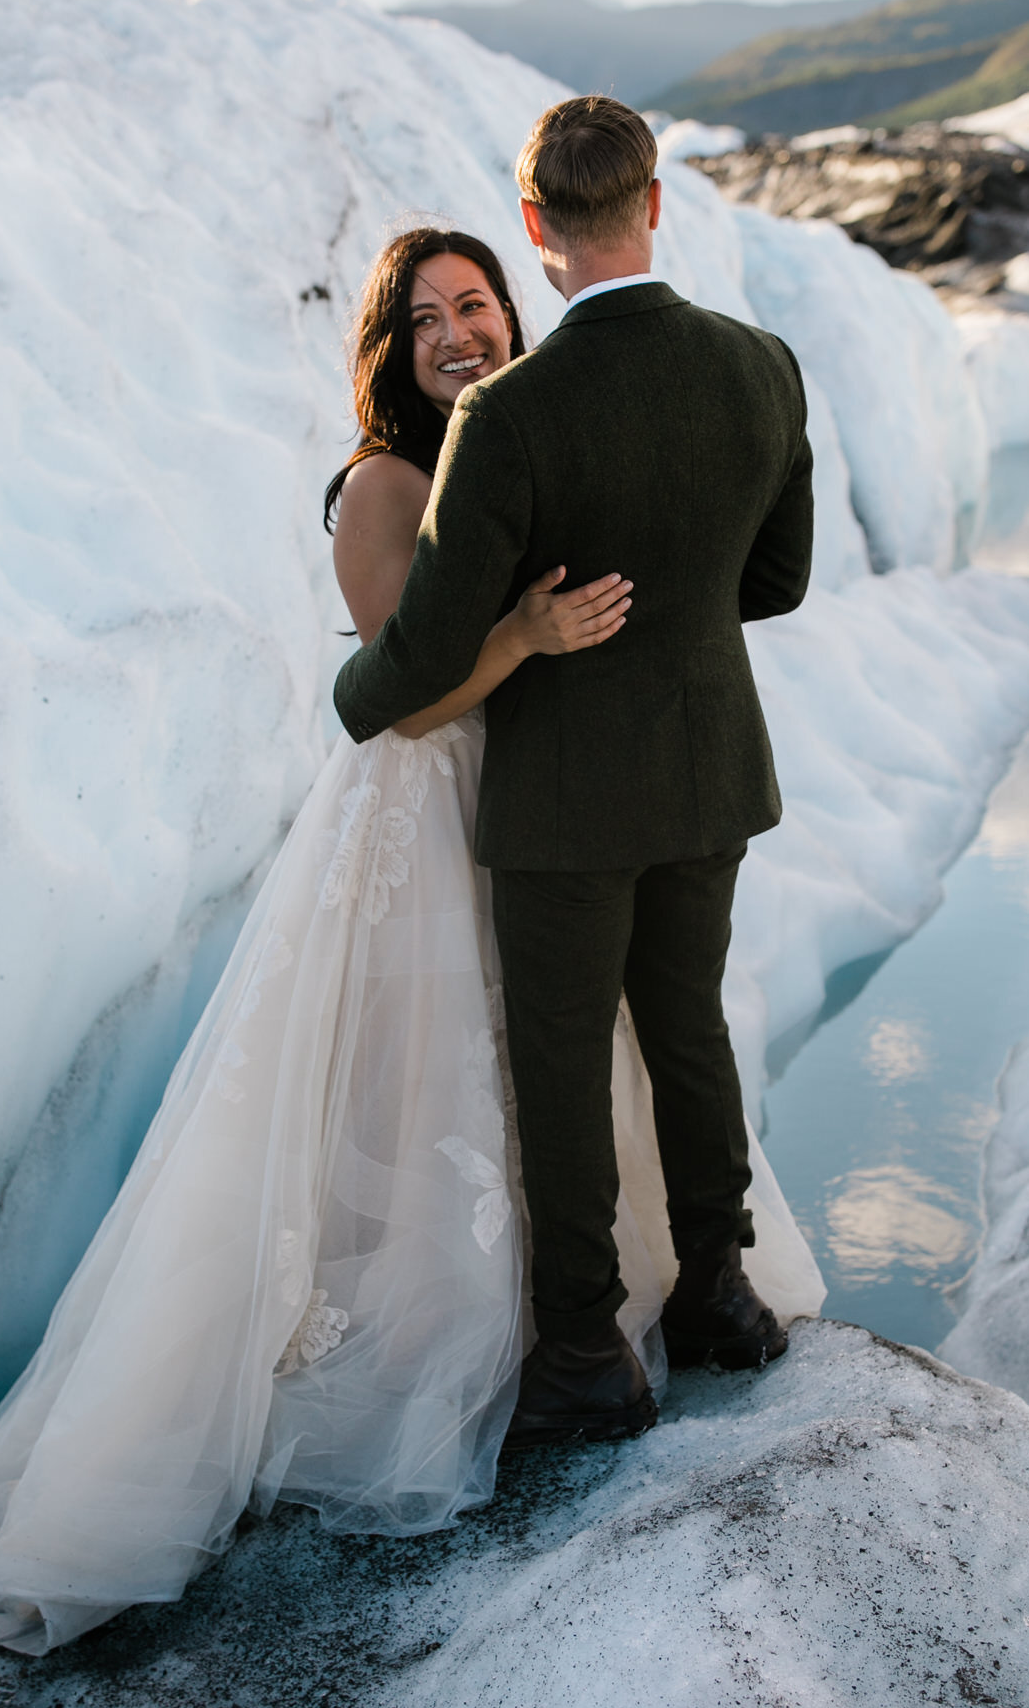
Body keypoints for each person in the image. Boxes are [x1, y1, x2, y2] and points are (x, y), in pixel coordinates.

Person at [0, 209, 821, 1657]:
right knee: (421, 1089)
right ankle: (433, 1356)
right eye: (428, 319)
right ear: (392, 351)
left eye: (477, 304)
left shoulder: (527, 438)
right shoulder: (383, 485)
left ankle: (581, 1320)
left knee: (555, 1061)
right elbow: (403, 693)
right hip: (427, 812)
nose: (462, 332)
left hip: (543, 810)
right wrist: (526, 641)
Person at [334, 96, 816, 1449]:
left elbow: (421, 656)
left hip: (560, 803)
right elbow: (773, 582)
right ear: (654, 204)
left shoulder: (512, 413)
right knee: (688, 1034)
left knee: (559, 1067)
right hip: (710, 770)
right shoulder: (764, 366)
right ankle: (720, 1298)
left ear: (537, 230)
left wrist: (351, 692)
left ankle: (585, 1353)